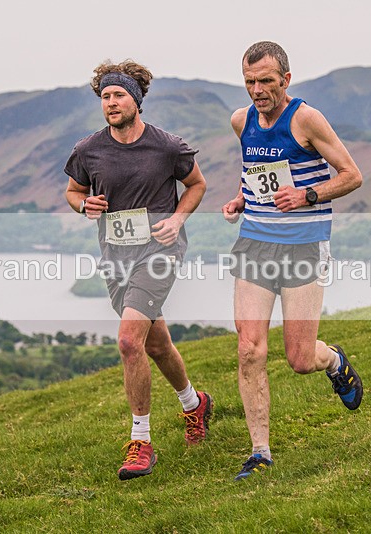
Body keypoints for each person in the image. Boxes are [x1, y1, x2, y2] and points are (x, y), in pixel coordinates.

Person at [222, 41, 364, 480]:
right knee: (249, 349)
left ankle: (335, 361)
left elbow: (352, 175)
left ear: (286, 78)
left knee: (300, 358)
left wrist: (307, 196)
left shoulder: (306, 118)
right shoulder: (240, 120)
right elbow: (258, 175)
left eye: (266, 80)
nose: (257, 90)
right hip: (256, 243)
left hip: (303, 245)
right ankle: (260, 452)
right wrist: (244, 199)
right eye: (250, 81)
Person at [65, 60, 213, 481]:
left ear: (137, 101)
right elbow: (74, 191)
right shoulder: (88, 150)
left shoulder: (167, 146)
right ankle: (194, 404)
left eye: (118, 95)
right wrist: (84, 205)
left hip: (159, 250)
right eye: (105, 97)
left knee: (130, 341)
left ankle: (141, 443)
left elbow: (197, 185)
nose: (110, 103)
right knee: (155, 344)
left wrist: (178, 219)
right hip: (116, 257)